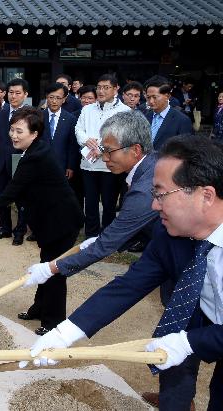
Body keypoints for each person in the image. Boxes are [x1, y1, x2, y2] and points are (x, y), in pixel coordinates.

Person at [25, 135, 223, 411]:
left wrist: (190, 342)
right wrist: (63, 334)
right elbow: (128, 286)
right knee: (175, 369)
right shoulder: (171, 235)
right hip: (197, 315)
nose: (154, 206)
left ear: (206, 196)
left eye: (161, 194)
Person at [0, 107, 84, 335]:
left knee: (53, 271)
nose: (13, 135)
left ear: (34, 133)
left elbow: (11, 191)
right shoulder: (31, 150)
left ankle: (53, 323)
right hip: (48, 218)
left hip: (61, 221)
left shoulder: (37, 155)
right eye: (12, 129)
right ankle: (39, 308)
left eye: (19, 131)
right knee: (45, 264)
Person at [24, 110, 159, 296]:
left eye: (109, 151)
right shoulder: (153, 165)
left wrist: (51, 268)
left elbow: (107, 245)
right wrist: (99, 241)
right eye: (103, 150)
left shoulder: (145, 190)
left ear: (135, 150)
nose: (104, 158)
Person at [76, 73, 130, 238]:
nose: (101, 91)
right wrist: (87, 141)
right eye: (99, 87)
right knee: (90, 203)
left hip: (111, 165)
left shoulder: (125, 111)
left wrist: (104, 148)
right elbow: (78, 129)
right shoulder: (87, 109)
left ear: (116, 89)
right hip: (88, 164)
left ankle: (107, 236)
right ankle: (91, 235)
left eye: (106, 87)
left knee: (109, 203)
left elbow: (124, 137)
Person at [0, 78, 30, 245]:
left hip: (20, 160)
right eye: (11, 93)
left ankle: (20, 231)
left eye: (17, 93)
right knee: (2, 197)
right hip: (2, 162)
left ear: (25, 94)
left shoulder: (31, 114)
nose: (14, 96)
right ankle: (5, 228)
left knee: (21, 198)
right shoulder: (2, 113)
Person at [41, 82, 79, 179]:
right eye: (51, 97)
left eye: (58, 98)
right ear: (46, 97)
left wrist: (70, 166)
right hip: (40, 163)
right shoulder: (38, 117)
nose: (54, 101)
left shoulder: (71, 119)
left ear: (64, 99)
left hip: (61, 166)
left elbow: (72, 145)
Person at [144, 75, 193, 150]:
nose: (151, 101)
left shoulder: (182, 120)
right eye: (148, 97)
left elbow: (186, 150)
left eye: (155, 97)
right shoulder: (145, 116)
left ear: (167, 96)